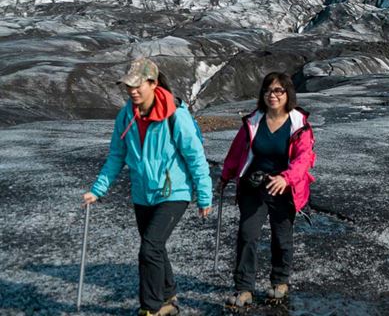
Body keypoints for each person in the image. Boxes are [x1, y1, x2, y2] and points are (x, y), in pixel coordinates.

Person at [82, 58, 213, 316]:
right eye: (128, 86)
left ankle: (150, 308)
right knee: (155, 246)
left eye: (137, 85)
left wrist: (204, 195)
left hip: (174, 192)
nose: (131, 91)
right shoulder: (126, 115)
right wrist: (98, 189)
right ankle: (168, 295)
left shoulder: (176, 115)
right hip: (142, 193)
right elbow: (116, 156)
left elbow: (196, 157)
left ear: (152, 83)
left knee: (150, 247)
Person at [219, 72, 316, 307]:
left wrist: (286, 178)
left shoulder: (299, 125)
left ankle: (280, 281)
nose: (272, 95)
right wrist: (226, 175)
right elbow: (236, 151)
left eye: (278, 91)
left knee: (281, 238)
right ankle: (244, 288)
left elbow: (305, 158)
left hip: (284, 190)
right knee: (247, 235)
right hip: (255, 187)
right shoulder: (254, 121)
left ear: (287, 94)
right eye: (268, 90)